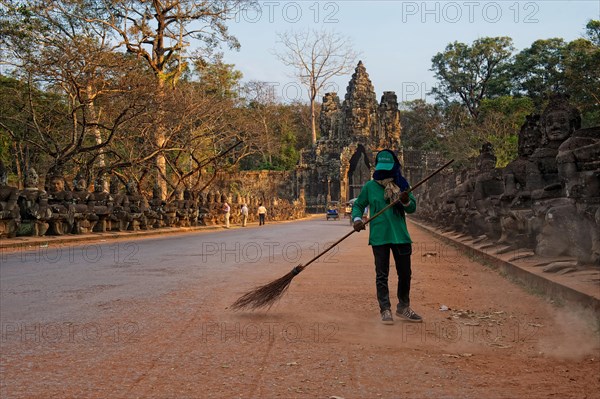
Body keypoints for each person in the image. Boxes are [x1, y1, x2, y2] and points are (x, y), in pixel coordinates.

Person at [352, 149, 422, 325]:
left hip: (400, 236)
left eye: (387, 168)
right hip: (380, 236)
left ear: (394, 167)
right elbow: (358, 205)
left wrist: (405, 200)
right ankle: (385, 309)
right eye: (381, 168)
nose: (384, 172)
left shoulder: (403, 185)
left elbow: (412, 208)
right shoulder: (370, 187)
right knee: (382, 275)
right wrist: (358, 219)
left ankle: (403, 307)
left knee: (405, 274)